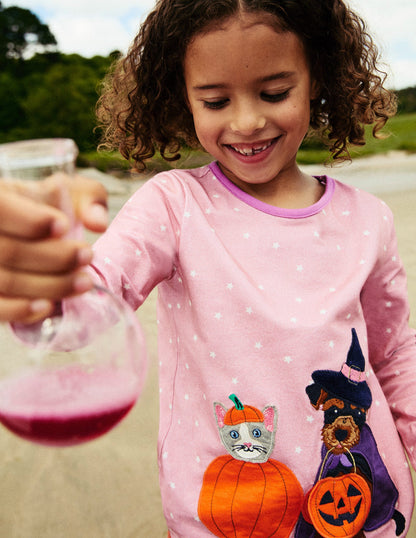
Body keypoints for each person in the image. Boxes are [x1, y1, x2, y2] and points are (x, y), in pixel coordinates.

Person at [0, 1, 414, 536]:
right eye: (216, 100)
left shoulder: (368, 220)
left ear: (317, 78)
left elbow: (392, 353)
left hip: (365, 507)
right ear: (183, 97)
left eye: (275, 93)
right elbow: (88, 308)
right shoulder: (172, 207)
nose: (247, 121)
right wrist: (39, 277)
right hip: (225, 516)